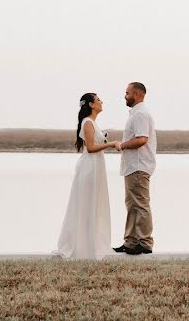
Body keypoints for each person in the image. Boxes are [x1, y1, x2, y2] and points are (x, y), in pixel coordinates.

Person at [55, 92, 118, 260]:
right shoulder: (88, 122)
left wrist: (104, 140)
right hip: (90, 168)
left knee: (94, 203)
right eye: (98, 100)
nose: (101, 102)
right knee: (87, 203)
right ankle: (83, 245)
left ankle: (93, 242)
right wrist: (111, 144)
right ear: (91, 104)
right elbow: (90, 148)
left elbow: (95, 144)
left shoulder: (93, 123)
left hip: (96, 166)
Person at [112, 82, 157, 255]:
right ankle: (130, 241)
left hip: (139, 166)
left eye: (127, 92)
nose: (125, 96)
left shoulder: (141, 115)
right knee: (131, 205)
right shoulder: (136, 114)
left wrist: (122, 145)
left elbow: (142, 139)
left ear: (137, 94)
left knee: (140, 204)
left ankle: (145, 242)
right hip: (132, 167)